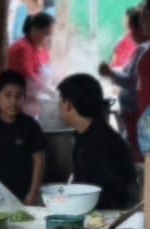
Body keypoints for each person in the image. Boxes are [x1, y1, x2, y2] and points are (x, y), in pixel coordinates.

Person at [57, 73, 139, 210]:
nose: (59, 106)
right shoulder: (85, 136)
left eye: (60, 100)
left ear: (68, 104)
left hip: (112, 218)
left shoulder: (100, 142)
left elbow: (104, 195)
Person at [0, 71, 46, 205]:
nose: (13, 101)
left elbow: (39, 159)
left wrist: (33, 192)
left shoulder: (31, 126)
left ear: (24, 98)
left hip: (24, 196)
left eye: (19, 96)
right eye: (8, 95)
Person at [99, 10, 150, 160]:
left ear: (141, 28)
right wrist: (113, 72)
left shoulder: (144, 49)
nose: (131, 35)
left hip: (136, 111)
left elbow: (132, 82)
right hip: (134, 111)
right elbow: (128, 71)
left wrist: (110, 74)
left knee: (138, 152)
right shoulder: (145, 49)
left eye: (132, 30)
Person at [7, 12, 55, 119]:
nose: (48, 38)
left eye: (50, 35)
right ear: (34, 30)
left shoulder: (39, 49)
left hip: (32, 103)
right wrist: (50, 91)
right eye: (46, 34)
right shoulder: (22, 48)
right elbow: (28, 77)